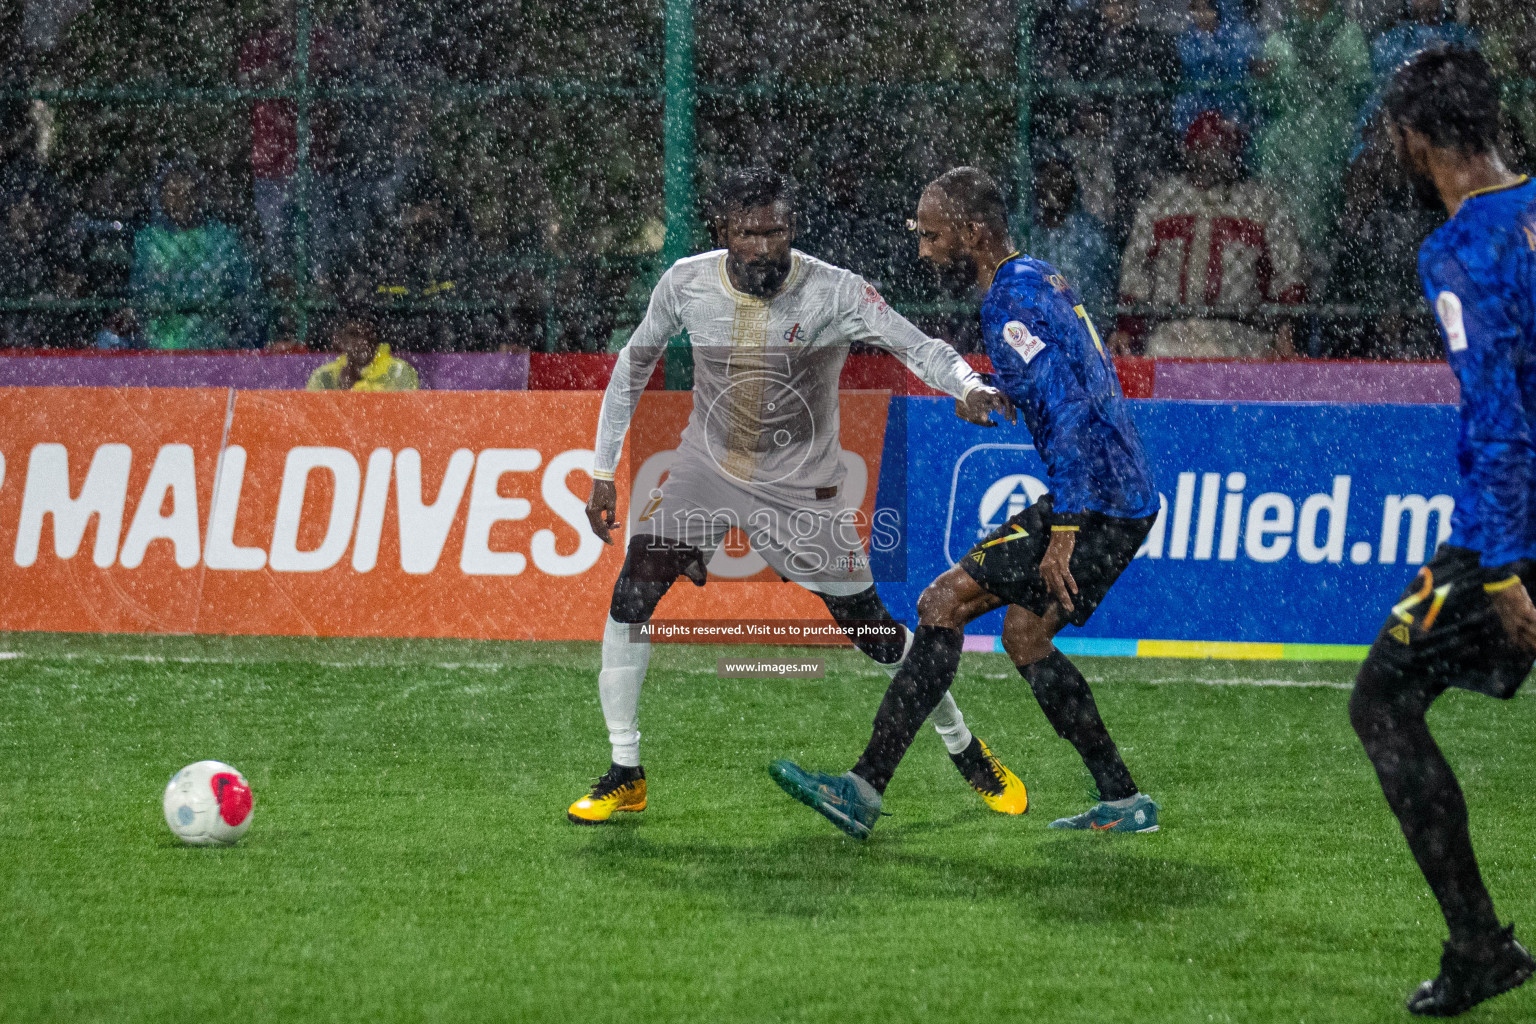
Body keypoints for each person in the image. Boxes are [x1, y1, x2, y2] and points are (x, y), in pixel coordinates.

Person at [568, 167, 1026, 826]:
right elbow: (634, 363)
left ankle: (965, 746)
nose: (764, 246)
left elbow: (917, 346)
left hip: (801, 490)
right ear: (724, 231)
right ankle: (624, 770)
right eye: (750, 233)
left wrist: (968, 386)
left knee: (873, 634)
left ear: (791, 229)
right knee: (632, 594)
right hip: (707, 469)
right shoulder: (686, 282)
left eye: (776, 231)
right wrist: (603, 470)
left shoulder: (836, 292)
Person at [769, 167, 1160, 839]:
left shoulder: (1005, 305)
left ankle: (862, 789)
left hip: (1093, 502)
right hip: (1118, 494)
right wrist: (992, 395)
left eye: (932, 235)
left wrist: (1066, 524)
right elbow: (1065, 381)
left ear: (973, 234)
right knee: (1025, 635)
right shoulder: (1037, 276)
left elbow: (1067, 413)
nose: (922, 249)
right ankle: (1124, 799)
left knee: (940, 603)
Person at [1348, 46, 1536, 1017]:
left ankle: (1478, 944)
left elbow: (1502, 417)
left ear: (1416, 139)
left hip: (1509, 526)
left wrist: (1503, 569)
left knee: (1383, 701)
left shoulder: (1460, 249)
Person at [1111, 110, 1305, 358]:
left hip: (1243, 330)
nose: (1211, 156)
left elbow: (1288, 271)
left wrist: (1283, 329)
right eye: (1203, 147)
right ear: (1188, 150)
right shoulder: (1162, 201)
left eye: (1219, 148)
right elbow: (1136, 270)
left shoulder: (1261, 202)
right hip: (1172, 329)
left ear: (1235, 153)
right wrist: (1128, 328)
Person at [1252, 0, 1372, 259]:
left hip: (1330, 137)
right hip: (1283, 142)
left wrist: (1334, 79)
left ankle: (1312, 264)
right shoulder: (1279, 38)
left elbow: (1361, 88)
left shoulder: (1346, 32)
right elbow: (1263, 100)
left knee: (1318, 217)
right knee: (1276, 216)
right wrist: (1264, 81)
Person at [129, 160, 262, 351]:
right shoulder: (148, 241)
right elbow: (141, 295)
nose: (182, 199)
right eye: (174, 193)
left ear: (201, 196)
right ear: (161, 197)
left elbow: (244, 293)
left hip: (213, 349)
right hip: (158, 350)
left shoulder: (223, 238)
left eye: (189, 192)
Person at [1033, 159, 1116, 330]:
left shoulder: (1091, 236)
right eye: (1047, 177)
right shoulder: (1024, 232)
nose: (1054, 185)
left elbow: (1100, 297)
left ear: (1072, 185)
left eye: (1060, 177)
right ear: (1036, 185)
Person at [305, 315, 418, 391]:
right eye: (354, 335)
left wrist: (352, 389)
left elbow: (403, 416)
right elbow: (314, 420)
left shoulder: (399, 371)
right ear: (339, 340)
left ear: (376, 339)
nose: (363, 341)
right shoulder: (324, 376)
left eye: (369, 334)